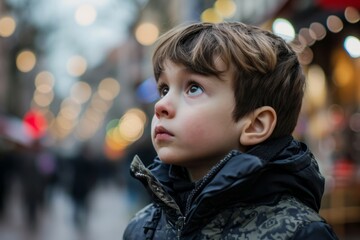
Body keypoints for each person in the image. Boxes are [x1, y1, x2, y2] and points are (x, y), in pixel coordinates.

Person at [123, 21, 338, 239]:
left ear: (255, 125)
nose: (161, 106)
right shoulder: (141, 228)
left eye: (193, 88)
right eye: (164, 89)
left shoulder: (301, 233)